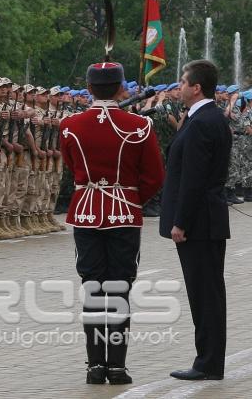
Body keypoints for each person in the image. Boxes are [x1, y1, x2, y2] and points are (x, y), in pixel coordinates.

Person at [59, 61, 164, 385]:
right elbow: (155, 176)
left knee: (93, 289)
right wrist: (130, 197)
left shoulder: (70, 125)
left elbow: (71, 165)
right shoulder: (140, 125)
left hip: (87, 211)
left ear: (88, 89)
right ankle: (116, 367)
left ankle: (94, 366)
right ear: (122, 89)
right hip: (124, 213)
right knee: (119, 288)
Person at [161, 59, 231, 381]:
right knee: (207, 293)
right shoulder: (204, 116)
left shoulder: (204, 121)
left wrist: (181, 222)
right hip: (205, 217)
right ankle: (210, 361)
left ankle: (207, 363)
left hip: (199, 221)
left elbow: (194, 178)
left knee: (205, 294)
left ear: (196, 87)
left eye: (182, 82)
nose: (179, 87)